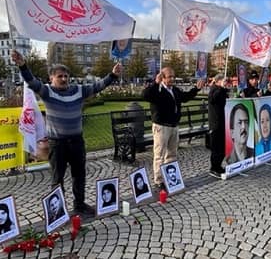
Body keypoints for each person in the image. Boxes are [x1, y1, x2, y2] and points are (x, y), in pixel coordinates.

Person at [11, 50, 122, 216]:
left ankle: (79, 205)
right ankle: (58, 210)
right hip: (57, 144)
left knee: (79, 175)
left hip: (77, 142)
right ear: (51, 78)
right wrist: (22, 66)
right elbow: (32, 82)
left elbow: (98, 86)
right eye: (59, 76)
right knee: (58, 178)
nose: (64, 79)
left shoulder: (78, 90)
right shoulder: (47, 91)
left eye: (66, 76)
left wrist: (112, 75)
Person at [141, 67, 204, 189]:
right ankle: (159, 180)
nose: (172, 79)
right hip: (161, 127)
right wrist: (156, 83)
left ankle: (169, 176)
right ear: (162, 77)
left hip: (174, 126)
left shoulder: (174, 90)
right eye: (169, 76)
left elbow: (185, 97)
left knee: (172, 154)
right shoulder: (157, 90)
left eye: (173, 76)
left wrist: (196, 89)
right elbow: (145, 95)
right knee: (159, 154)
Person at [207, 73, 229, 176]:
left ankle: (219, 165)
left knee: (222, 147)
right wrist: (221, 88)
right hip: (215, 122)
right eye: (224, 81)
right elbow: (212, 99)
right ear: (218, 81)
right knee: (216, 147)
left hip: (223, 121)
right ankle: (214, 167)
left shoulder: (222, 90)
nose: (225, 83)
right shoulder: (214, 89)